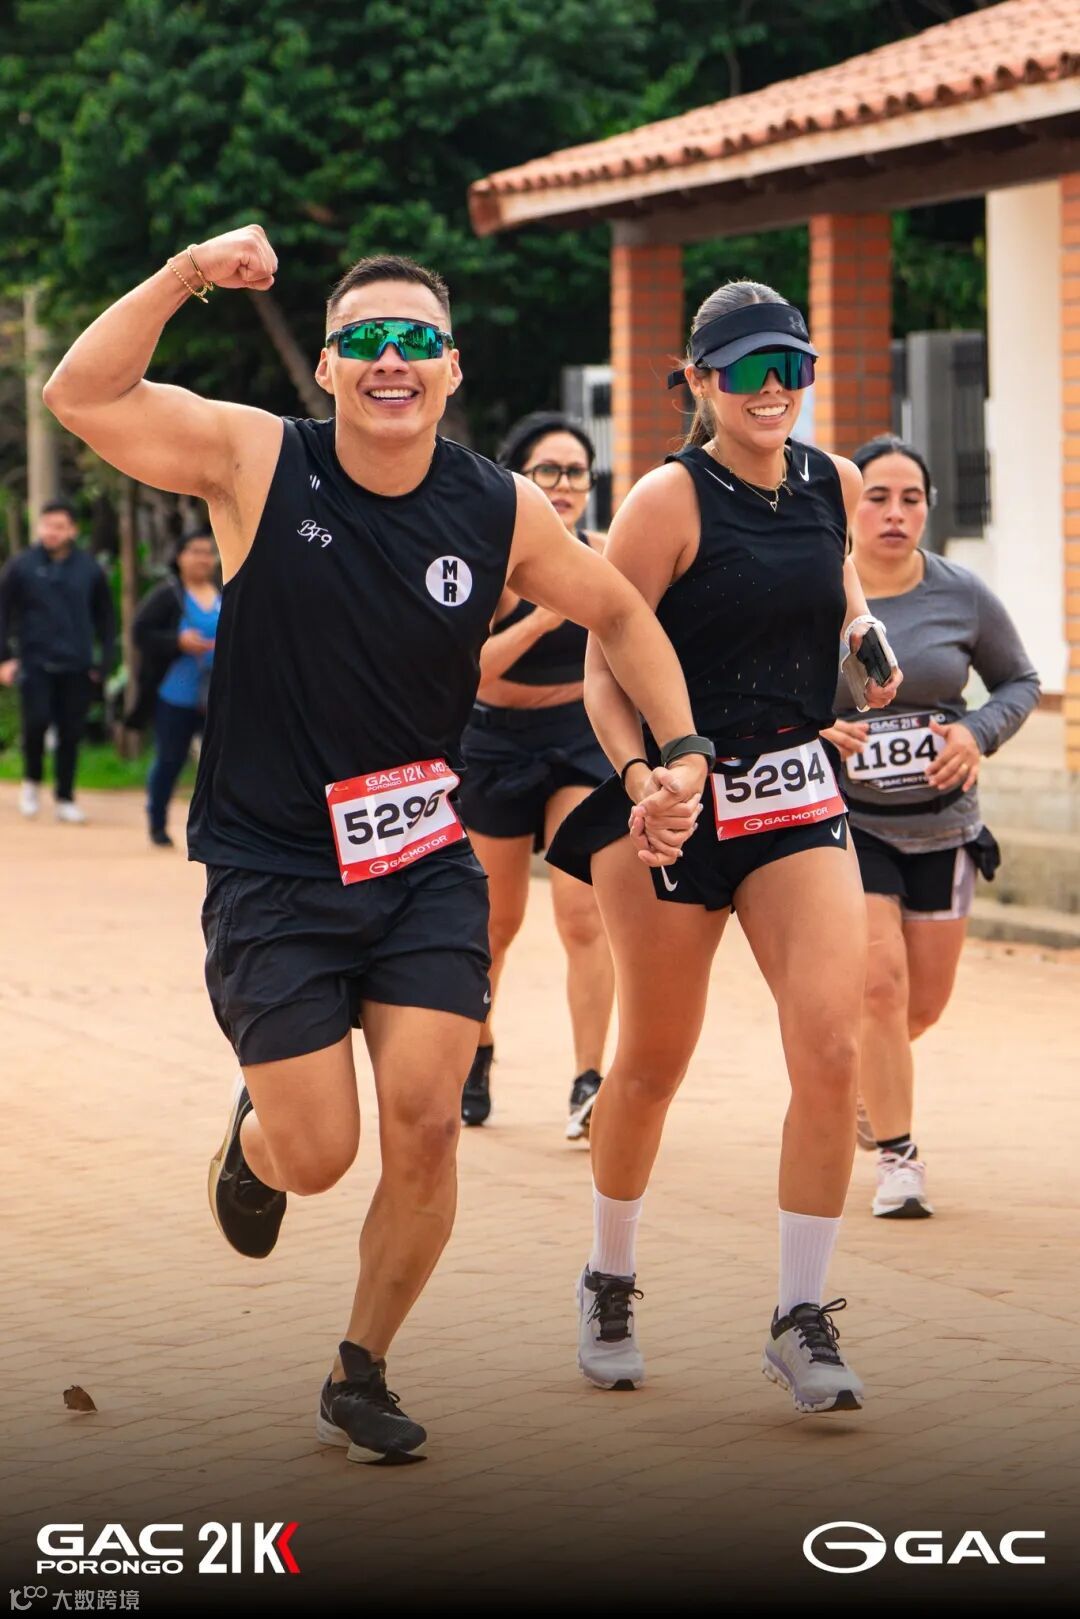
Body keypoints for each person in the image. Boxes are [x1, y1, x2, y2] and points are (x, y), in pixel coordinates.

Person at [43, 224, 705, 1463]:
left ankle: (361, 1366)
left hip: (420, 866)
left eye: (416, 339)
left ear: (451, 367)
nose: (390, 358)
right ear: (329, 367)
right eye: (365, 340)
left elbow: (618, 608)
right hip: (273, 869)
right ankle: (256, 1133)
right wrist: (189, 273)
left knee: (428, 1120)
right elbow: (80, 395)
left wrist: (681, 751)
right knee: (318, 1153)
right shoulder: (256, 459)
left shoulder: (496, 505)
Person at [548, 279, 901, 1415]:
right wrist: (641, 779)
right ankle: (608, 1276)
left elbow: (835, 565)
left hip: (793, 789)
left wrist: (862, 630)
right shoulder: (667, 500)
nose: (772, 389)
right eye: (747, 370)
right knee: (653, 1060)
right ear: (699, 382)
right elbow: (604, 663)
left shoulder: (829, 478)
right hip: (676, 802)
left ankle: (801, 1316)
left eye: (791, 367)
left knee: (832, 1049)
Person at [821, 435, 1039, 1219]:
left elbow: (1020, 680)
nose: (894, 512)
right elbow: (770, 694)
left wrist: (975, 733)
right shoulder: (818, 595)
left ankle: (862, 1083)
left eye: (910, 498)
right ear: (850, 510)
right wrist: (820, 729)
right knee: (879, 986)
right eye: (877, 497)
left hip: (944, 827)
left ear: (928, 509)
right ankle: (899, 1158)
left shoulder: (963, 594)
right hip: (851, 824)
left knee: (922, 1002)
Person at [457, 412, 614, 1137]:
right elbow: (469, 672)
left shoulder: (605, 554)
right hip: (495, 742)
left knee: (584, 913)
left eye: (576, 471)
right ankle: (477, 1048)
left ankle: (590, 1079)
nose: (563, 484)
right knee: (495, 922)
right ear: (518, 477)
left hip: (580, 741)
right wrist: (544, 619)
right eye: (547, 470)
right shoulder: (491, 560)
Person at [0, 499, 115, 823]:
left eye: (60, 526)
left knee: (71, 731)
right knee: (35, 723)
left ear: (73, 530)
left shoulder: (90, 569)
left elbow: (106, 619)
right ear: (39, 527)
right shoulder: (21, 566)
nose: (52, 532)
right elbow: (3, 613)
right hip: (33, 661)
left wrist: (103, 663)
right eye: (47, 525)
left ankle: (65, 796)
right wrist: (4, 658)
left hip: (77, 663)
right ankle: (31, 782)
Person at [127, 524, 221, 848]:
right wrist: (177, 642)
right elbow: (140, 632)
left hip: (216, 696)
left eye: (208, 552)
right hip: (175, 695)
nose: (202, 558)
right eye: (195, 551)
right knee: (170, 759)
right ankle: (157, 822)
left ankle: (216, 829)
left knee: (219, 765)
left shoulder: (226, 591)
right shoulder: (167, 594)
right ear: (179, 557)